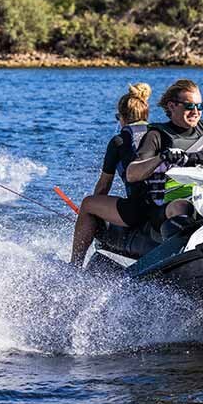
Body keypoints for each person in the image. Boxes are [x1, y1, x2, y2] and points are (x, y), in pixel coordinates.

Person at [69, 82, 153, 266]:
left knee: (88, 203)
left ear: (122, 117)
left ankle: (74, 266)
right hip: (162, 206)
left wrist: (92, 215)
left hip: (138, 211)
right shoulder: (159, 134)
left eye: (118, 117)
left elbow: (103, 186)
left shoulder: (119, 141)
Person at [124, 78, 203, 221]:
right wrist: (161, 157)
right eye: (189, 106)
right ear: (172, 106)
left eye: (200, 106)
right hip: (167, 205)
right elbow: (131, 174)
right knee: (181, 206)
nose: (196, 112)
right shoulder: (157, 136)